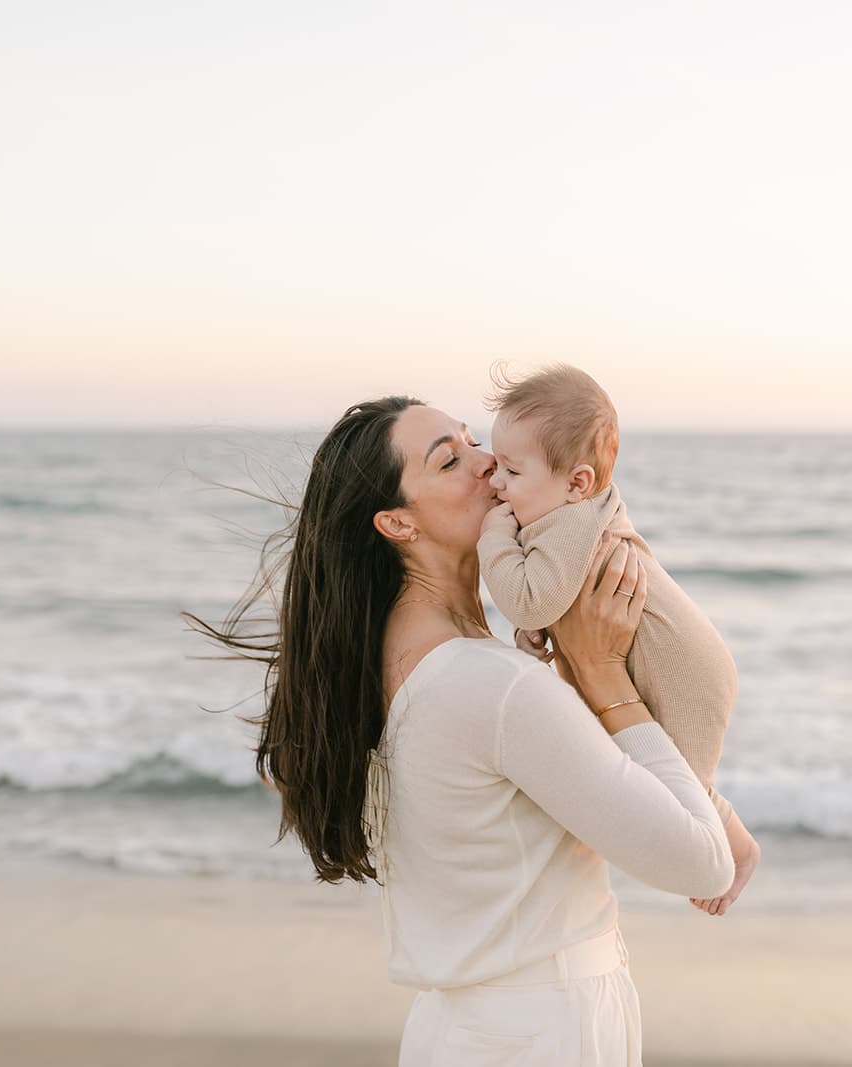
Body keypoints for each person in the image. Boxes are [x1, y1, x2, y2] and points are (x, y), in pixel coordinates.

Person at [193, 396, 744, 1066]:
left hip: (473, 1028)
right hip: (539, 1033)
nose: (490, 464)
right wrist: (605, 679)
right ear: (397, 522)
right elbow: (701, 862)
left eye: (473, 441)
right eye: (451, 459)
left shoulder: (396, 668)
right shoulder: (491, 684)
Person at [475, 361, 761, 917]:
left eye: (511, 470)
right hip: (680, 661)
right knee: (666, 774)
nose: (495, 482)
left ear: (578, 481)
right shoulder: (569, 508)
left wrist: (494, 541)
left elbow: (530, 597)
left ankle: (735, 854)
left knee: (674, 795)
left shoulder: (569, 520)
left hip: (685, 672)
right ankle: (735, 845)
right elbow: (552, 601)